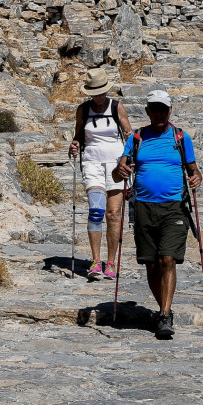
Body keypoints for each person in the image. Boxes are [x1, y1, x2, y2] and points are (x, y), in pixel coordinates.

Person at [113, 87, 202, 339]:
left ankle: (164, 314)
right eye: (155, 109)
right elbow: (119, 170)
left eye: (163, 109)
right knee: (151, 265)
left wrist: (196, 177)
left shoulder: (180, 137)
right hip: (142, 205)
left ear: (169, 110)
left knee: (167, 259)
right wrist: (120, 171)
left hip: (174, 206)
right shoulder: (137, 138)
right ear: (148, 111)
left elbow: (194, 170)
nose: (159, 113)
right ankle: (162, 308)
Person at [68, 66, 131, 281]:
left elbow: (128, 134)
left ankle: (111, 263)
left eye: (102, 92)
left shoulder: (116, 107)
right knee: (96, 210)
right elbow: (78, 136)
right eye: (95, 93)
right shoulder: (83, 110)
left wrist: (129, 158)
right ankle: (96, 261)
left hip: (115, 166)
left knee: (113, 214)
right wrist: (74, 145)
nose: (98, 97)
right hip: (92, 163)